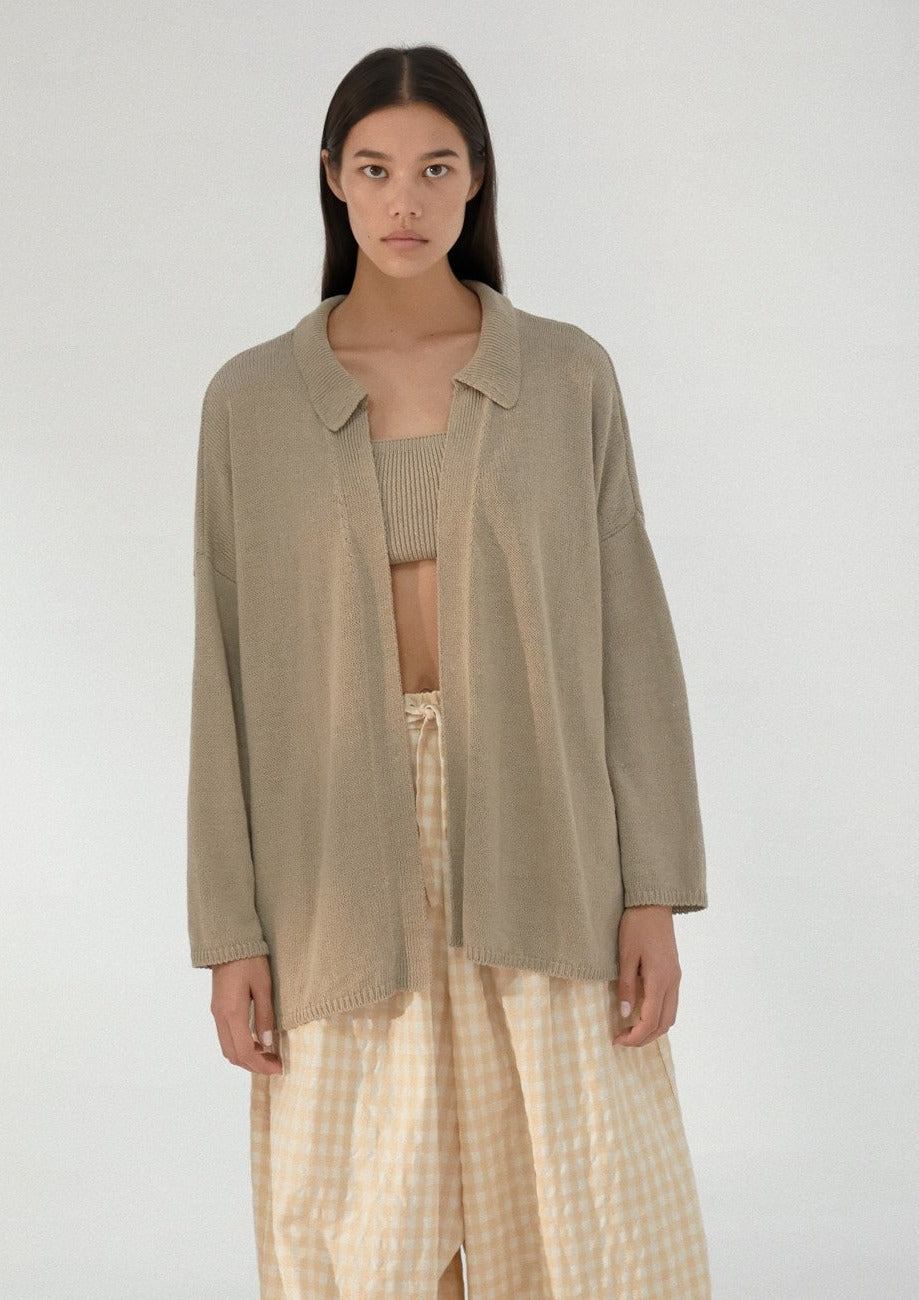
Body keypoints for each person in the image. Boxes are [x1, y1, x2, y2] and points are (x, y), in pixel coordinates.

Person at [186, 43, 712, 1300]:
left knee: (584, 1224)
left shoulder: (565, 377)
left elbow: (630, 639)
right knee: (364, 1234)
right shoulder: (252, 402)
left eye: (434, 168)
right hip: (333, 876)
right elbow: (223, 674)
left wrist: (652, 891)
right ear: (332, 179)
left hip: (546, 847)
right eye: (374, 170)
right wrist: (229, 933)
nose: (404, 201)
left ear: (477, 178)